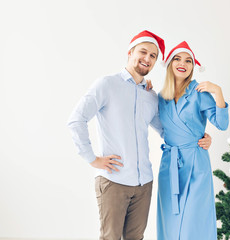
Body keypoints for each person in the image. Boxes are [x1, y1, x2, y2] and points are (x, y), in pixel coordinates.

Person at [67, 31, 211, 240]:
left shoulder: (150, 96)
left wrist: (201, 138)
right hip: (114, 181)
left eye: (153, 56)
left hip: (144, 184)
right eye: (143, 52)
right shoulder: (106, 85)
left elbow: (167, 130)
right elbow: (76, 120)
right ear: (130, 52)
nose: (147, 59)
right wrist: (92, 158)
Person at [157, 41, 229, 240]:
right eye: (178, 59)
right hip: (169, 164)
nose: (183, 63)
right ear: (170, 63)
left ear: (193, 66)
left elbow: (221, 124)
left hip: (196, 163)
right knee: (170, 222)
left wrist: (218, 91)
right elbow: (160, 127)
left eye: (188, 60)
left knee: (194, 223)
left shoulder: (199, 92)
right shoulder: (161, 97)